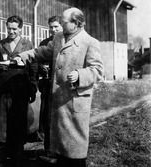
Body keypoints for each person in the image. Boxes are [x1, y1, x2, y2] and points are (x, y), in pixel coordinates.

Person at [16, 7, 103, 167]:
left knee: (75, 153)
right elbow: (44, 52)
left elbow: (97, 71)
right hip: (59, 103)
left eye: (64, 22)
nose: (61, 25)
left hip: (74, 103)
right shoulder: (59, 38)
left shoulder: (90, 42)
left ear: (76, 23)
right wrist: (27, 54)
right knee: (61, 151)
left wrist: (80, 75)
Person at [0, 15, 37, 167]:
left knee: (19, 122)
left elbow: (33, 67)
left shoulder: (27, 44)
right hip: (3, 90)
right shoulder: (0, 45)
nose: (11, 31)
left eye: (14, 29)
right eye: (9, 28)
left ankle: (18, 155)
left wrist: (33, 88)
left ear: (20, 29)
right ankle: (1, 156)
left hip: (21, 91)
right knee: (1, 123)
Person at [37, 16, 62, 152]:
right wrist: (42, 67)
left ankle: (59, 150)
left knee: (60, 118)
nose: (53, 29)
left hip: (61, 88)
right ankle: (47, 149)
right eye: (51, 27)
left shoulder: (66, 42)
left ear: (62, 26)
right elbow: (38, 60)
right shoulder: (45, 43)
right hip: (47, 85)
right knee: (46, 117)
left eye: (56, 26)